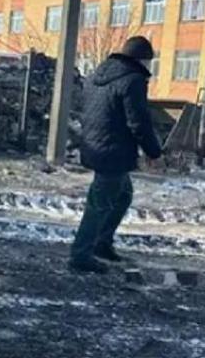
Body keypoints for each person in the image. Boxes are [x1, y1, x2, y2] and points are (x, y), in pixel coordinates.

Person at [69, 36, 163, 274]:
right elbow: (138, 122)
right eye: (149, 62)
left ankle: (101, 243)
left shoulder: (99, 75)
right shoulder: (133, 80)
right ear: (141, 60)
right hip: (113, 150)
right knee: (99, 203)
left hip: (95, 144)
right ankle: (81, 255)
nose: (149, 67)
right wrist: (153, 152)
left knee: (122, 195)